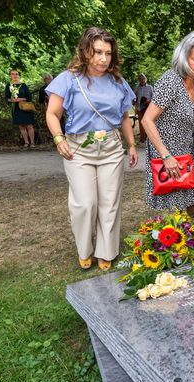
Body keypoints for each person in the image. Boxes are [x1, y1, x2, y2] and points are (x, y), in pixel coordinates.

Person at [46, 27, 137, 271]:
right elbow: (52, 113)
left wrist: (131, 144)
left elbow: (124, 117)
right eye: (97, 52)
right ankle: (84, 249)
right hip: (78, 148)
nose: (103, 59)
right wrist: (59, 139)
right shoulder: (68, 79)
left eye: (108, 53)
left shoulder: (118, 82)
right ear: (85, 51)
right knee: (85, 203)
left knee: (109, 201)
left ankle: (106, 251)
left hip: (111, 148)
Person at [142, 30, 194, 217]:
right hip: (164, 152)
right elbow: (147, 120)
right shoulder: (170, 80)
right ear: (184, 57)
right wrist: (166, 156)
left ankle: (186, 241)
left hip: (185, 152)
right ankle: (174, 243)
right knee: (174, 210)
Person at [5, 69, 36, 148]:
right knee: (21, 126)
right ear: (10, 76)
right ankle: (26, 142)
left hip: (25, 107)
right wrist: (12, 100)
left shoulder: (23, 85)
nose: (15, 76)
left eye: (16, 74)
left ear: (18, 75)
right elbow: (7, 98)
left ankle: (32, 142)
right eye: (13, 74)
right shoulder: (8, 86)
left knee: (29, 125)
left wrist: (20, 99)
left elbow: (29, 97)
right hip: (16, 108)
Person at [133, 73, 153, 144]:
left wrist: (150, 102)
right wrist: (134, 101)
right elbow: (134, 96)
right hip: (139, 108)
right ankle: (142, 138)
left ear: (145, 79)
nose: (142, 80)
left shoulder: (150, 87)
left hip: (148, 108)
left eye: (143, 78)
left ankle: (148, 137)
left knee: (148, 123)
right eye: (140, 79)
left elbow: (153, 97)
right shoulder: (137, 87)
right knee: (141, 123)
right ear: (139, 80)